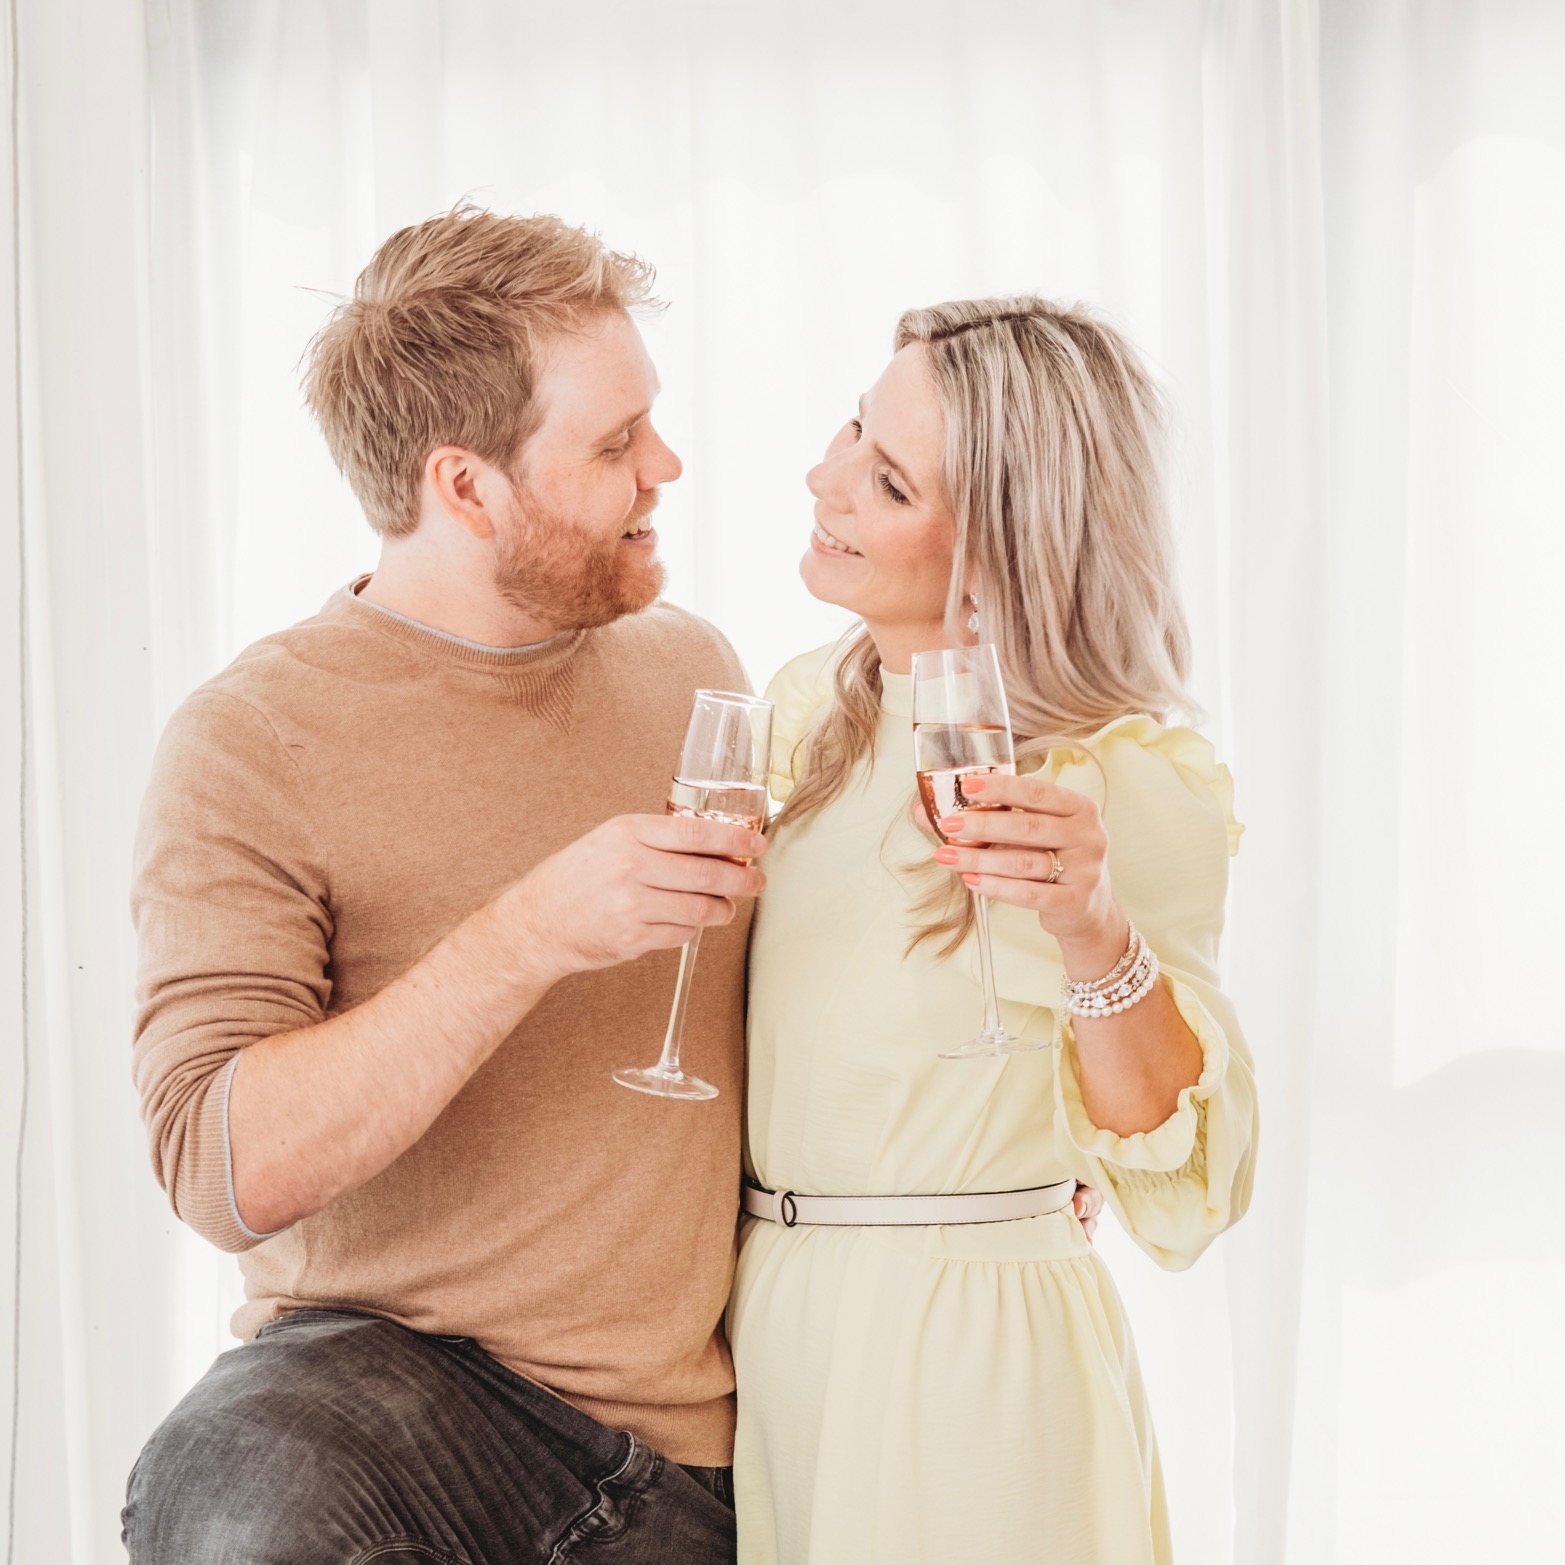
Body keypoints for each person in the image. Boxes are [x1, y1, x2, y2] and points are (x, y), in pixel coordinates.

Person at [123, 208, 765, 1564]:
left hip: (681, 1462)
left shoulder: (690, 671)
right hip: (395, 1406)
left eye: (649, 422)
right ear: (465, 487)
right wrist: (528, 933)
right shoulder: (253, 737)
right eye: (612, 445)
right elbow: (215, 1168)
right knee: (233, 1481)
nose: (668, 465)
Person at [728, 297, 1258, 1565]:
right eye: (853, 430)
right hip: (779, 1324)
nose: (824, 478)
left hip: (972, 1346)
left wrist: (1090, 929)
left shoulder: (1124, 781)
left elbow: (1181, 1184)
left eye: (887, 478)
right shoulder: (805, 713)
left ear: (999, 550)